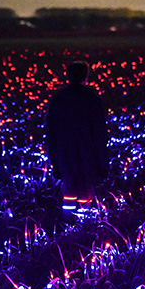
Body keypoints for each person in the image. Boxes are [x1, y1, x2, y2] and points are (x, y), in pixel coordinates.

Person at [45, 62, 109, 212]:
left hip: (65, 155)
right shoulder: (91, 98)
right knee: (86, 189)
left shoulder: (59, 99)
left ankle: (68, 222)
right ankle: (84, 223)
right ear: (86, 76)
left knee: (69, 189)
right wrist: (103, 162)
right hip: (88, 155)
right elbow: (99, 132)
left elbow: (51, 133)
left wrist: (54, 160)